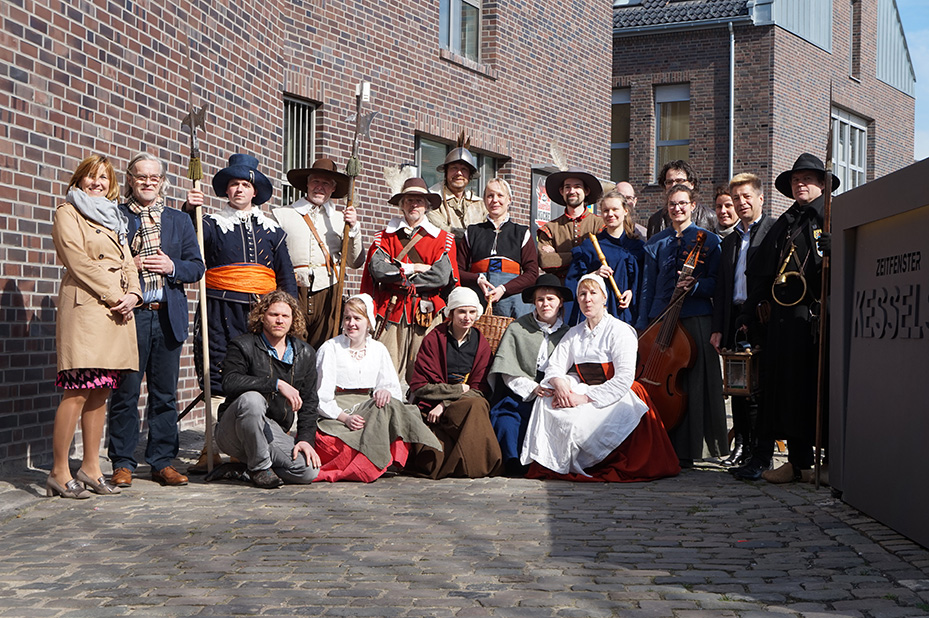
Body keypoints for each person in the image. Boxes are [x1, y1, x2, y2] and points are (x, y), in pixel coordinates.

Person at [185, 153, 297, 472]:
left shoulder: (272, 231)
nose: (239, 190)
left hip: (260, 315)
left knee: (257, 372)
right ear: (226, 190)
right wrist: (190, 210)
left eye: (245, 184)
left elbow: (285, 274)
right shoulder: (210, 224)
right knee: (218, 371)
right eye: (234, 184)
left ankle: (244, 447)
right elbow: (191, 246)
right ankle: (211, 447)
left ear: (254, 191)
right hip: (220, 309)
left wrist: (287, 311)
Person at [731, 154, 836, 484]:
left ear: (822, 183)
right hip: (782, 320)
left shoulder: (833, 215)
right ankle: (797, 461)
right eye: (795, 179)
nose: (800, 183)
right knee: (786, 390)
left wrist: (838, 248)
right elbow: (760, 268)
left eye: (807, 178)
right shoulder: (787, 220)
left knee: (816, 389)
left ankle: (828, 462)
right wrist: (750, 311)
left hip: (816, 318)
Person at [520, 274, 680, 482]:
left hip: (616, 392)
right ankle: (553, 462)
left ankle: (590, 462)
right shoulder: (574, 333)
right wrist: (559, 383)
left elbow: (623, 378)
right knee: (546, 398)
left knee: (580, 425)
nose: (587, 299)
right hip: (584, 388)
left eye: (593, 293)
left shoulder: (620, 331)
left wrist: (584, 398)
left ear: (604, 298)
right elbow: (555, 366)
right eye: (582, 294)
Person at [107, 153, 205, 489]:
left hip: (167, 316)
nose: (148, 182)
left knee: (164, 395)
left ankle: (162, 461)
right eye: (141, 177)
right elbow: (102, 261)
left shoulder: (178, 220)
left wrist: (172, 267)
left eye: (154, 177)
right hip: (129, 317)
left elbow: (197, 266)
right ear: (130, 180)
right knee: (126, 392)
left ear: (162, 181)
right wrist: (127, 263)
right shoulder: (116, 216)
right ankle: (122, 462)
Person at [48, 154, 141, 499]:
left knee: (101, 391)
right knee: (77, 390)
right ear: (79, 179)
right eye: (91, 176)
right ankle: (58, 470)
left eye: (103, 177)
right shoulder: (67, 212)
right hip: (87, 309)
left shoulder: (114, 217)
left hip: (116, 311)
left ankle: (90, 467)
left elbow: (127, 261)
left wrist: (133, 292)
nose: (97, 183)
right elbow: (77, 259)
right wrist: (115, 292)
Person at [636, 185, 727, 467]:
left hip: (695, 317)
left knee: (694, 383)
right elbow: (647, 287)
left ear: (693, 205)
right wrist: (644, 324)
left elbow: (717, 284)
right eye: (673, 204)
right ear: (667, 207)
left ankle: (693, 448)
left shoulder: (710, 241)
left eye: (683, 203)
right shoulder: (656, 243)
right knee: (662, 384)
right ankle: (664, 443)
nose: (677, 209)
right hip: (662, 319)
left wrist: (696, 286)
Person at [313, 294, 442, 482]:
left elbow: (391, 387)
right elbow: (321, 396)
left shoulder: (378, 349)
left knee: (393, 407)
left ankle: (424, 454)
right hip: (338, 412)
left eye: (357, 318)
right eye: (347, 318)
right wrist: (345, 418)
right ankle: (373, 465)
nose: (351, 323)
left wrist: (384, 391)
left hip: (370, 407)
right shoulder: (330, 348)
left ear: (368, 322)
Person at [209, 291, 320, 488]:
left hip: (270, 430)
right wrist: (275, 383)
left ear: (293, 320)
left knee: (308, 471)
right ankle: (260, 468)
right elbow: (229, 382)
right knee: (252, 399)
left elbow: (310, 402)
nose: (279, 320)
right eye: (273, 315)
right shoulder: (242, 345)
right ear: (262, 316)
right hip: (233, 430)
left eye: (285, 316)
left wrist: (304, 439)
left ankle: (244, 471)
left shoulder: (305, 354)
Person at [360, 177, 459, 383]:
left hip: (428, 312)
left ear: (427, 206)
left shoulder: (443, 239)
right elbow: (379, 271)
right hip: (392, 310)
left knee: (426, 372)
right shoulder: (383, 238)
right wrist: (413, 268)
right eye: (409, 200)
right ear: (401, 205)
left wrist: (396, 270)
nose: (414, 205)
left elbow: (440, 277)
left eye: (419, 201)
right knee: (386, 370)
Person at [710, 173, 775, 467]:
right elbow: (723, 288)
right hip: (734, 317)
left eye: (747, 197)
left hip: (762, 317)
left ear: (761, 198)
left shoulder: (773, 232)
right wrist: (718, 329)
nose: (741, 203)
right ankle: (742, 445)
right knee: (736, 386)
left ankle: (760, 450)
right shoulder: (731, 241)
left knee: (758, 388)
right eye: (737, 198)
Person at [405, 287, 503, 479]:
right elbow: (420, 386)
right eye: (462, 311)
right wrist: (455, 390)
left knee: (477, 405)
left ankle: (477, 465)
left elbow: (480, 388)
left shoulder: (480, 341)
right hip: (432, 405)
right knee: (432, 459)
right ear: (451, 313)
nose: (467, 317)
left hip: (463, 403)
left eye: (472, 312)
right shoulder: (434, 339)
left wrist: (446, 403)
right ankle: (471, 465)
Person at [273, 158, 364, 349]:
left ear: (333, 189)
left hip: (329, 291)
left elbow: (355, 262)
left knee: (324, 347)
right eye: (315, 181)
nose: (319, 187)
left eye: (326, 183)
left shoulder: (342, 220)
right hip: (292, 290)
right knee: (291, 345)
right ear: (307, 183)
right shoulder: (281, 215)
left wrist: (354, 228)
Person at [487, 274, 572, 475]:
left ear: (560, 303)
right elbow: (507, 370)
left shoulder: (569, 333)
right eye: (540, 299)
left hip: (553, 396)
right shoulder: (518, 327)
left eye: (550, 299)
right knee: (507, 422)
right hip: (521, 395)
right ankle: (514, 464)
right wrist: (533, 388)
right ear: (534, 302)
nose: (545, 304)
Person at [457, 178, 538, 317]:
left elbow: (532, 274)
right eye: (490, 195)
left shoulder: (521, 233)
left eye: (500, 195)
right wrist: (477, 279)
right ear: (484, 200)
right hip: (478, 300)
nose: (495, 200)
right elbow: (457, 270)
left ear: (509, 200)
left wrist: (504, 288)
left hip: (512, 301)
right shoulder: (472, 232)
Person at [564, 190, 644, 325]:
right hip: (600, 314)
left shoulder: (638, 247)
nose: (610, 214)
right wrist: (595, 274)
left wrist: (632, 292)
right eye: (606, 210)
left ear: (625, 211)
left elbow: (644, 279)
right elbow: (574, 281)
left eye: (615, 209)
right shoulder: (590, 247)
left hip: (629, 312)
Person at [536, 167, 604, 283]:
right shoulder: (550, 228)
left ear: (586, 191)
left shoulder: (600, 224)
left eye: (577, 186)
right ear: (561, 192)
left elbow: (602, 257)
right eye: (567, 187)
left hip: (593, 290)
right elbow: (545, 261)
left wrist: (558, 255)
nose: (572, 191)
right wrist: (585, 256)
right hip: (562, 291)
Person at [646, 160, 716, 238]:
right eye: (669, 182)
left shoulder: (710, 217)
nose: (674, 185)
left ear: (692, 184)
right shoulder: (655, 220)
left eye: (679, 181)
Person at [427, 145, 486, 237]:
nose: (459, 173)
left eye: (464, 169)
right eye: (454, 168)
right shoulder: (432, 199)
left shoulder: (480, 204)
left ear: (470, 175)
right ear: (446, 172)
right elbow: (442, 230)